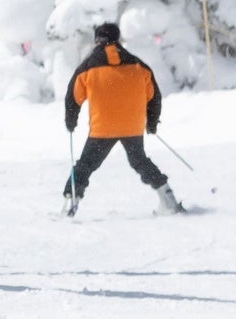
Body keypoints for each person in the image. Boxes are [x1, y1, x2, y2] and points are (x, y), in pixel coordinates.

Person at [62, 23, 186, 215]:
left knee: (86, 164)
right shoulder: (138, 65)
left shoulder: (88, 67)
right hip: (132, 127)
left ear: (97, 41)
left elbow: (73, 96)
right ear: (118, 39)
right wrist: (151, 123)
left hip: (102, 128)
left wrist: (71, 121)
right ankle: (168, 198)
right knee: (140, 161)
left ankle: (71, 202)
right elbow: (154, 97)